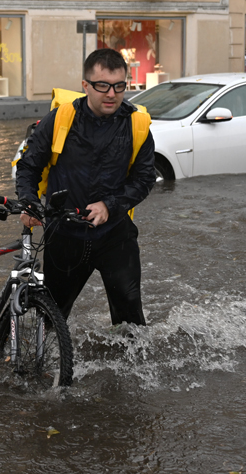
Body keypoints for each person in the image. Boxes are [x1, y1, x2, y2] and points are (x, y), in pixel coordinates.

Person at [14, 48, 157, 327]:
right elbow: (28, 165)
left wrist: (110, 206)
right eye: (102, 85)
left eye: (119, 86)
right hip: (64, 234)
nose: (112, 94)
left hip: (115, 234)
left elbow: (144, 179)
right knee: (51, 317)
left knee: (131, 319)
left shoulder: (137, 125)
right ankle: (46, 365)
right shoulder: (60, 119)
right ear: (85, 85)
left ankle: (129, 369)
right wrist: (29, 201)